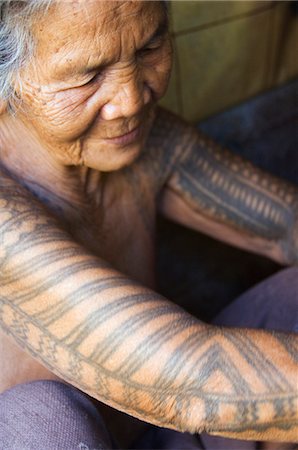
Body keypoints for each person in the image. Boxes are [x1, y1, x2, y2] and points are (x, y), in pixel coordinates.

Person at [0, 1, 297, 449]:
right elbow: (189, 381)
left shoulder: (142, 139)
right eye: (88, 75)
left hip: (159, 435)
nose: (132, 99)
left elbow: (286, 226)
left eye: (150, 47)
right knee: (40, 419)